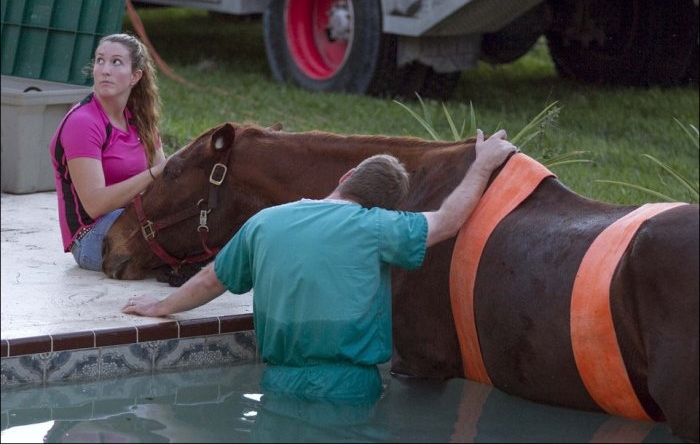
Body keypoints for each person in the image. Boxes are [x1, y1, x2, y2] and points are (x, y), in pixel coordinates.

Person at [122, 129, 517, 401]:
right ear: (386, 208)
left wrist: (160, 307)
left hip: (279, 383)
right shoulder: (377, 227)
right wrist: (482, 165)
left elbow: (211, 280)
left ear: (346, 177)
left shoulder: (264, 223)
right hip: (350, 389)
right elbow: (448, 220)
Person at [49, 33, 167, 271]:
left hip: (135, 219)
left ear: (135, 76)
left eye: (116, 62)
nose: (104, 69)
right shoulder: (83, 122)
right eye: (100, 60)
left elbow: (164, 184)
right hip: (92, 237)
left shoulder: (141, 119)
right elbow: (95, 204)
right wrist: (153, 174)